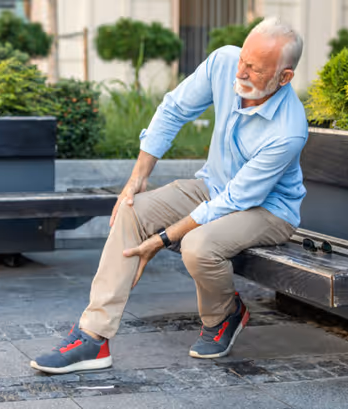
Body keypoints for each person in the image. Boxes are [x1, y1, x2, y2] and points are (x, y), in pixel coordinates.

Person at [30, 17, 308, 374]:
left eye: (255, 69)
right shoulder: (225, 62)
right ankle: (93, 338)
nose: (241, 72)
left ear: (284, 77)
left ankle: (225, 315)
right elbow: (175, 109)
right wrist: (136, 179)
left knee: (198, 245)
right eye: (244, 59)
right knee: (132, 209)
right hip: (214, 186)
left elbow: (236, 201)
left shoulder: (288, 130)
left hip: (267, 209)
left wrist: (162, 239)